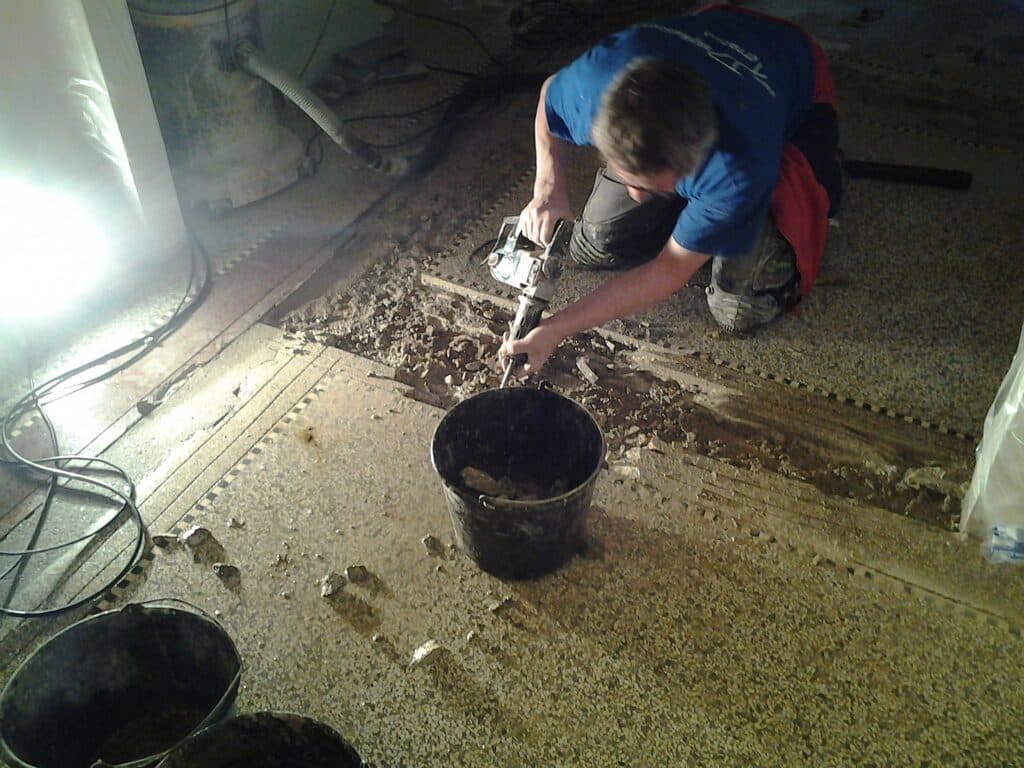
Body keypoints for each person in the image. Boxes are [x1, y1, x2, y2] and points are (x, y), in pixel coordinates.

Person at [501, 4, 843, 375]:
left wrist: (556, 329)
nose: (636, 196)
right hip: (715, 24)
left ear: (693, 160)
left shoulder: (738, 167)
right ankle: (691, 212)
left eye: (653, 186)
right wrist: (547, 191)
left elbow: (669, 270)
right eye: (632, 179)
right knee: (594, 243)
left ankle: (820, 171)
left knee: (738, 309)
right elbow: (551, 94)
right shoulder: (597, 78)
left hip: (793, 74)